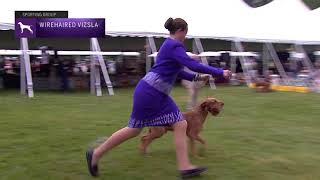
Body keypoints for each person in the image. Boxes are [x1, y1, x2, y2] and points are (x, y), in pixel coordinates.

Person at [86, 17, 232, 178]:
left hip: (155, 93)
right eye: (185, 34)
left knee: (178, 123)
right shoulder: (174, 45)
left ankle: (185, 167)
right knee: (134, 129)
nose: (185, 37)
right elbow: (192, 65)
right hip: (150, 93)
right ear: (181, 31)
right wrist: (220, 72)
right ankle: (96, 154)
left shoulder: (168, 46)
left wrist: (198, 78)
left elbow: (178, 71)